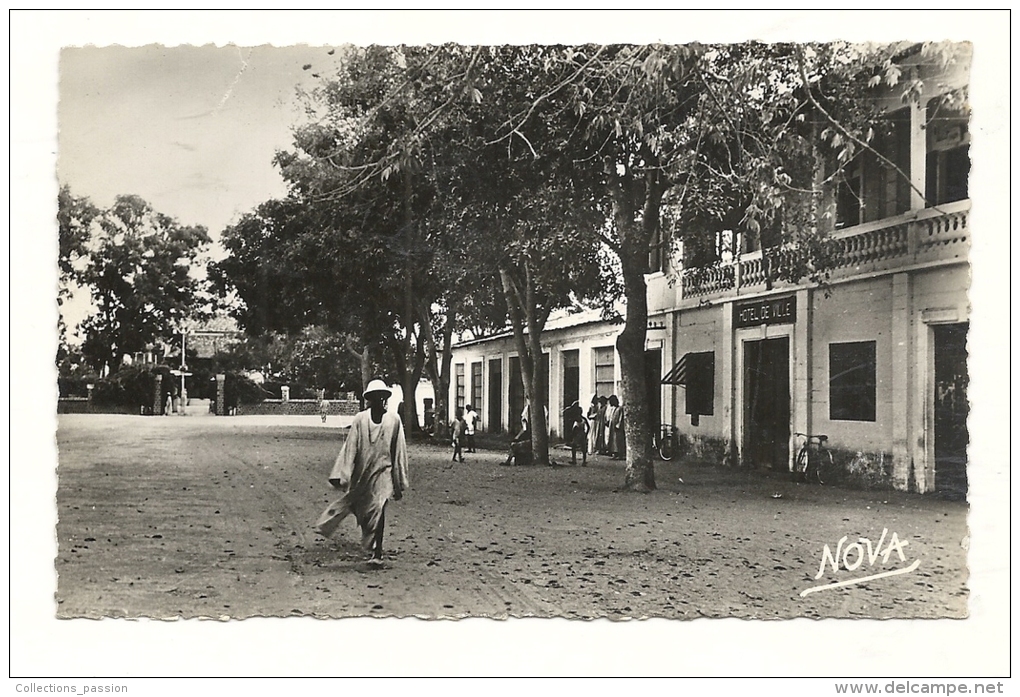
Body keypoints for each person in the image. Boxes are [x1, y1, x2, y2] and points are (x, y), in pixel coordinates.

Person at [314, 379, 409, 564]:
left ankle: (378, 553)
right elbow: (350, 447)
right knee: (364, 510)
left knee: (380, 507)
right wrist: (344, 473)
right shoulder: (360, 420)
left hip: (384, 472)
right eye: (375, 397)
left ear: (385, 398)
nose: (379, 400)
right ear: (369, 399)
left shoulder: (394, 420)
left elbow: (399, 450)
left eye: (381, 396)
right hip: (363, 474)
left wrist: (398, 480)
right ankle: (360, 538)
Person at [564, 400, 589, 466]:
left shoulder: (576, 420)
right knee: (583, 448)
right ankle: (584, 461)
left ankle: (574, 460)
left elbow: (574, 428)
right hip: (583, 433)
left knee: (574, 447)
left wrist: (572, 435)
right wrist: (586, 433)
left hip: (577, 434)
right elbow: (588, 427)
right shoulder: (584, 419)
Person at [608, 395, 626, 460]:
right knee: (613, 440)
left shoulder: (620, 408)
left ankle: (620, 454)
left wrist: (618, 425)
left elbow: (621, 418)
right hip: (612, 426)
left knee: (618, 440)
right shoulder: (614, 409)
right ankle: (614, 453)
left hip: (617, 427)